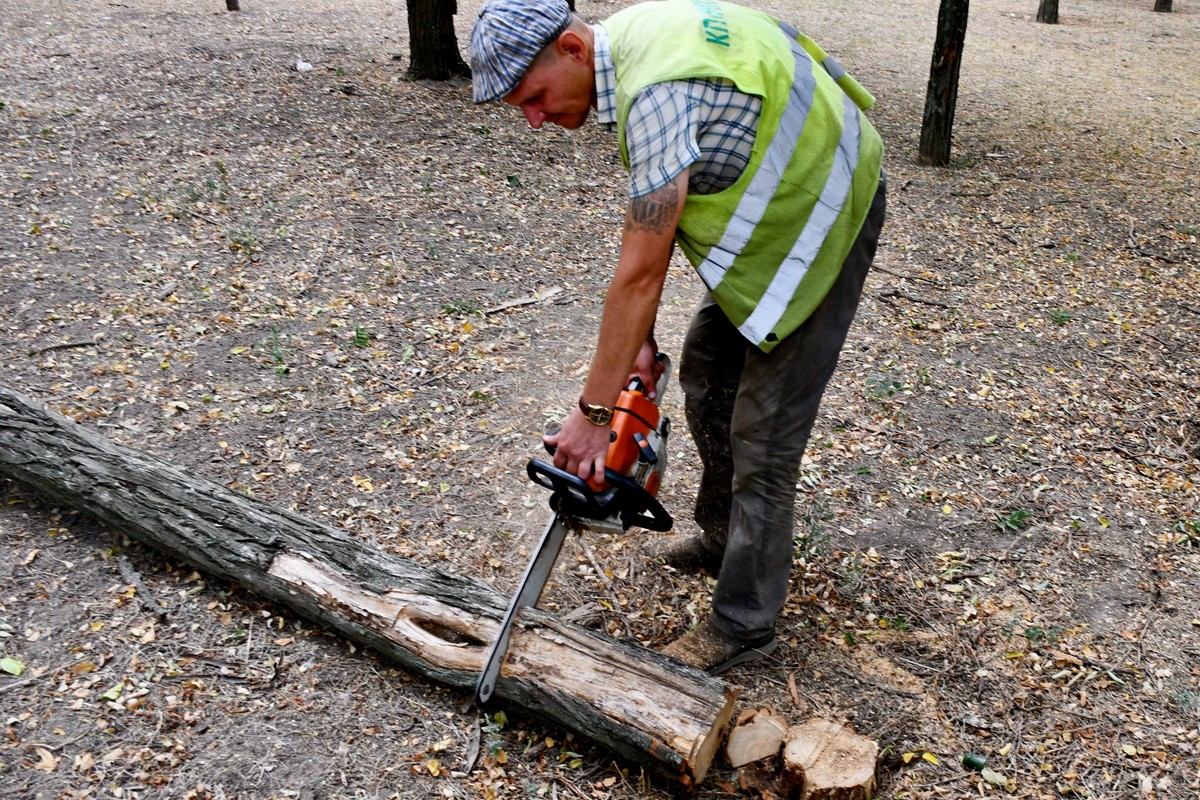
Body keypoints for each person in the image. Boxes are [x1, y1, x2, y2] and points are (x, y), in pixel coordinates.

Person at [470, 0, 886, 674]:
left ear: (572, 50)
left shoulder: (656, 95)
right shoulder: (634, 47)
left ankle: (743, 624)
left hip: (825, 211)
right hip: (780, 216)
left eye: (535, 97)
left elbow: (638, 275)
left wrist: (594, 416)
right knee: (707, 369)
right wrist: (634, 349)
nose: (535, 119)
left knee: (764, 432)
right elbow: (650, 243)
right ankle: (725, 538)